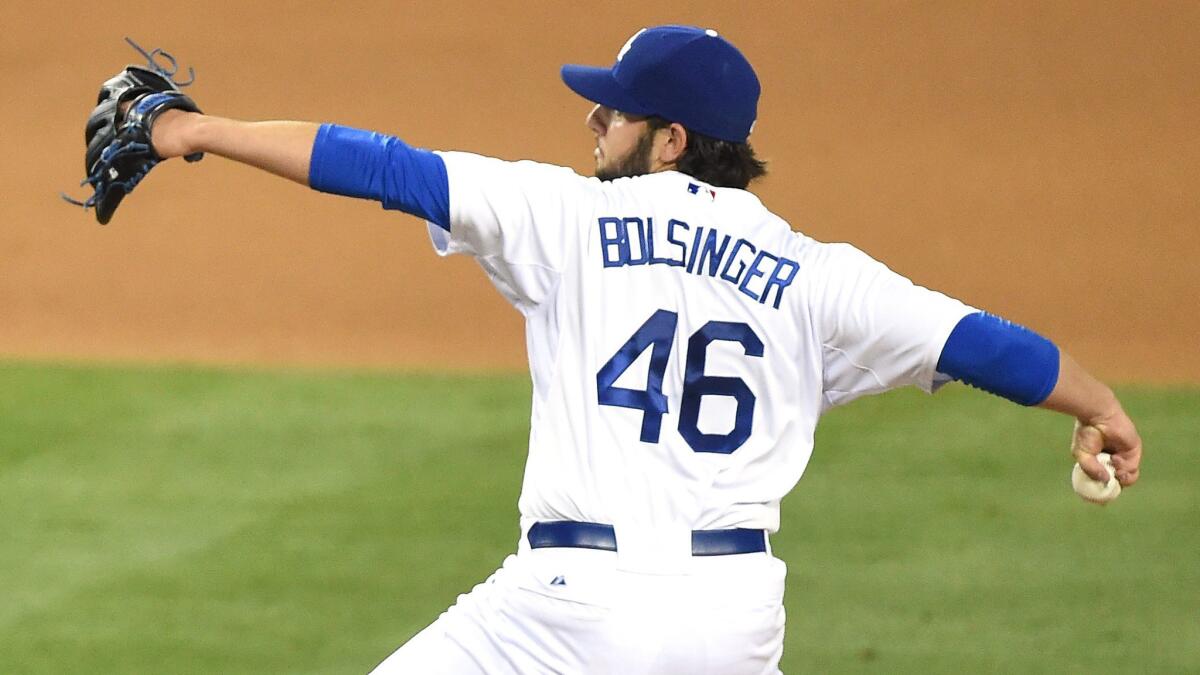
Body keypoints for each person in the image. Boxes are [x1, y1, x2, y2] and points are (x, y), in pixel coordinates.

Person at [119, 25, 1142, 675]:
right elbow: (986, 345)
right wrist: (1101, 407)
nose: (594, 117)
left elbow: (384, 167)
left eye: (616, 109)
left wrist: (197, 133)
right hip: (733, 625)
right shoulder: (821, 274)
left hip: (570, 614)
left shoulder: (564, 217)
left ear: (673, 140)